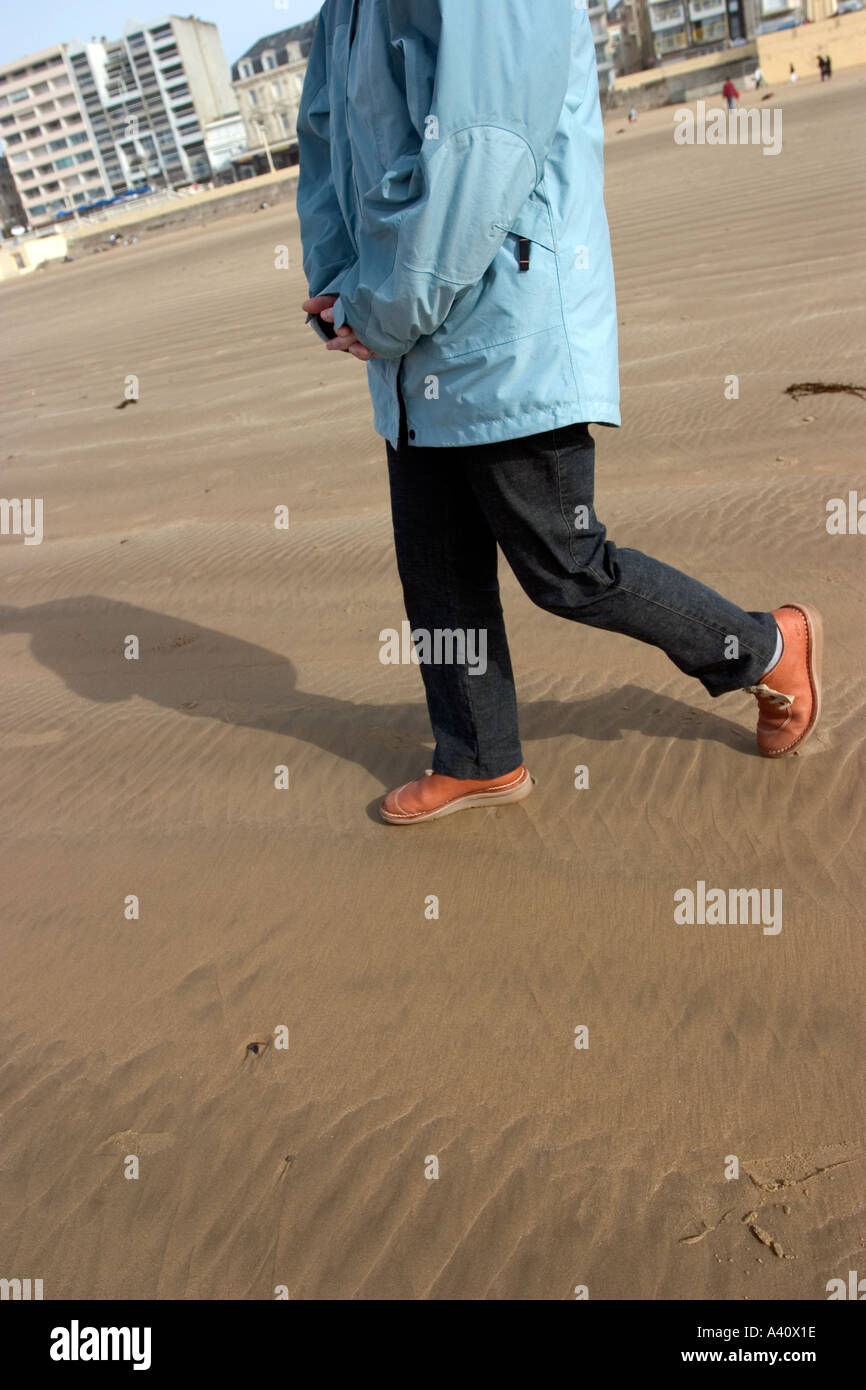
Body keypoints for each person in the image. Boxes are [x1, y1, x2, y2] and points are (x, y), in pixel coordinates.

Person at [296, 0, 823, 825]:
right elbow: (325, 141)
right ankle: (477, 758)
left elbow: (485, 152)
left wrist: (384, 303)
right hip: (407, 339)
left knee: (567, 565)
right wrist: (339, 279)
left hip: (506, 326)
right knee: (437, 571)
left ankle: (768, 648)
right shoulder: (343, 9)